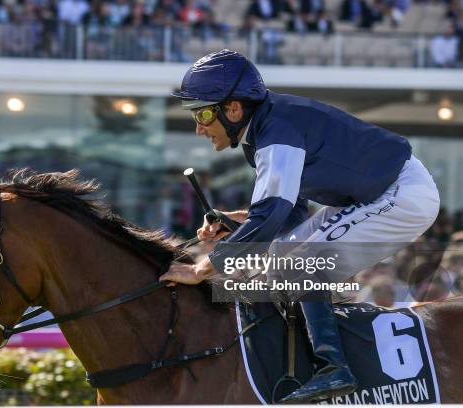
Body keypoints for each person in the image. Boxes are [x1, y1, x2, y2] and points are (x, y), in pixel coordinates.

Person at [160, 49, 440, 403]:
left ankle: (334, 367)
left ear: (233, 109)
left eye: (201, 113)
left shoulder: (276, 129)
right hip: (378, 195)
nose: (198, 127)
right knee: (281, 255)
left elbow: (273, 212)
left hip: (402, 193)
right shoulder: (262, 132)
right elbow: (289, 214)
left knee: (298, 265)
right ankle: (314, 356)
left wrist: (202, 268)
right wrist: (235, 221)